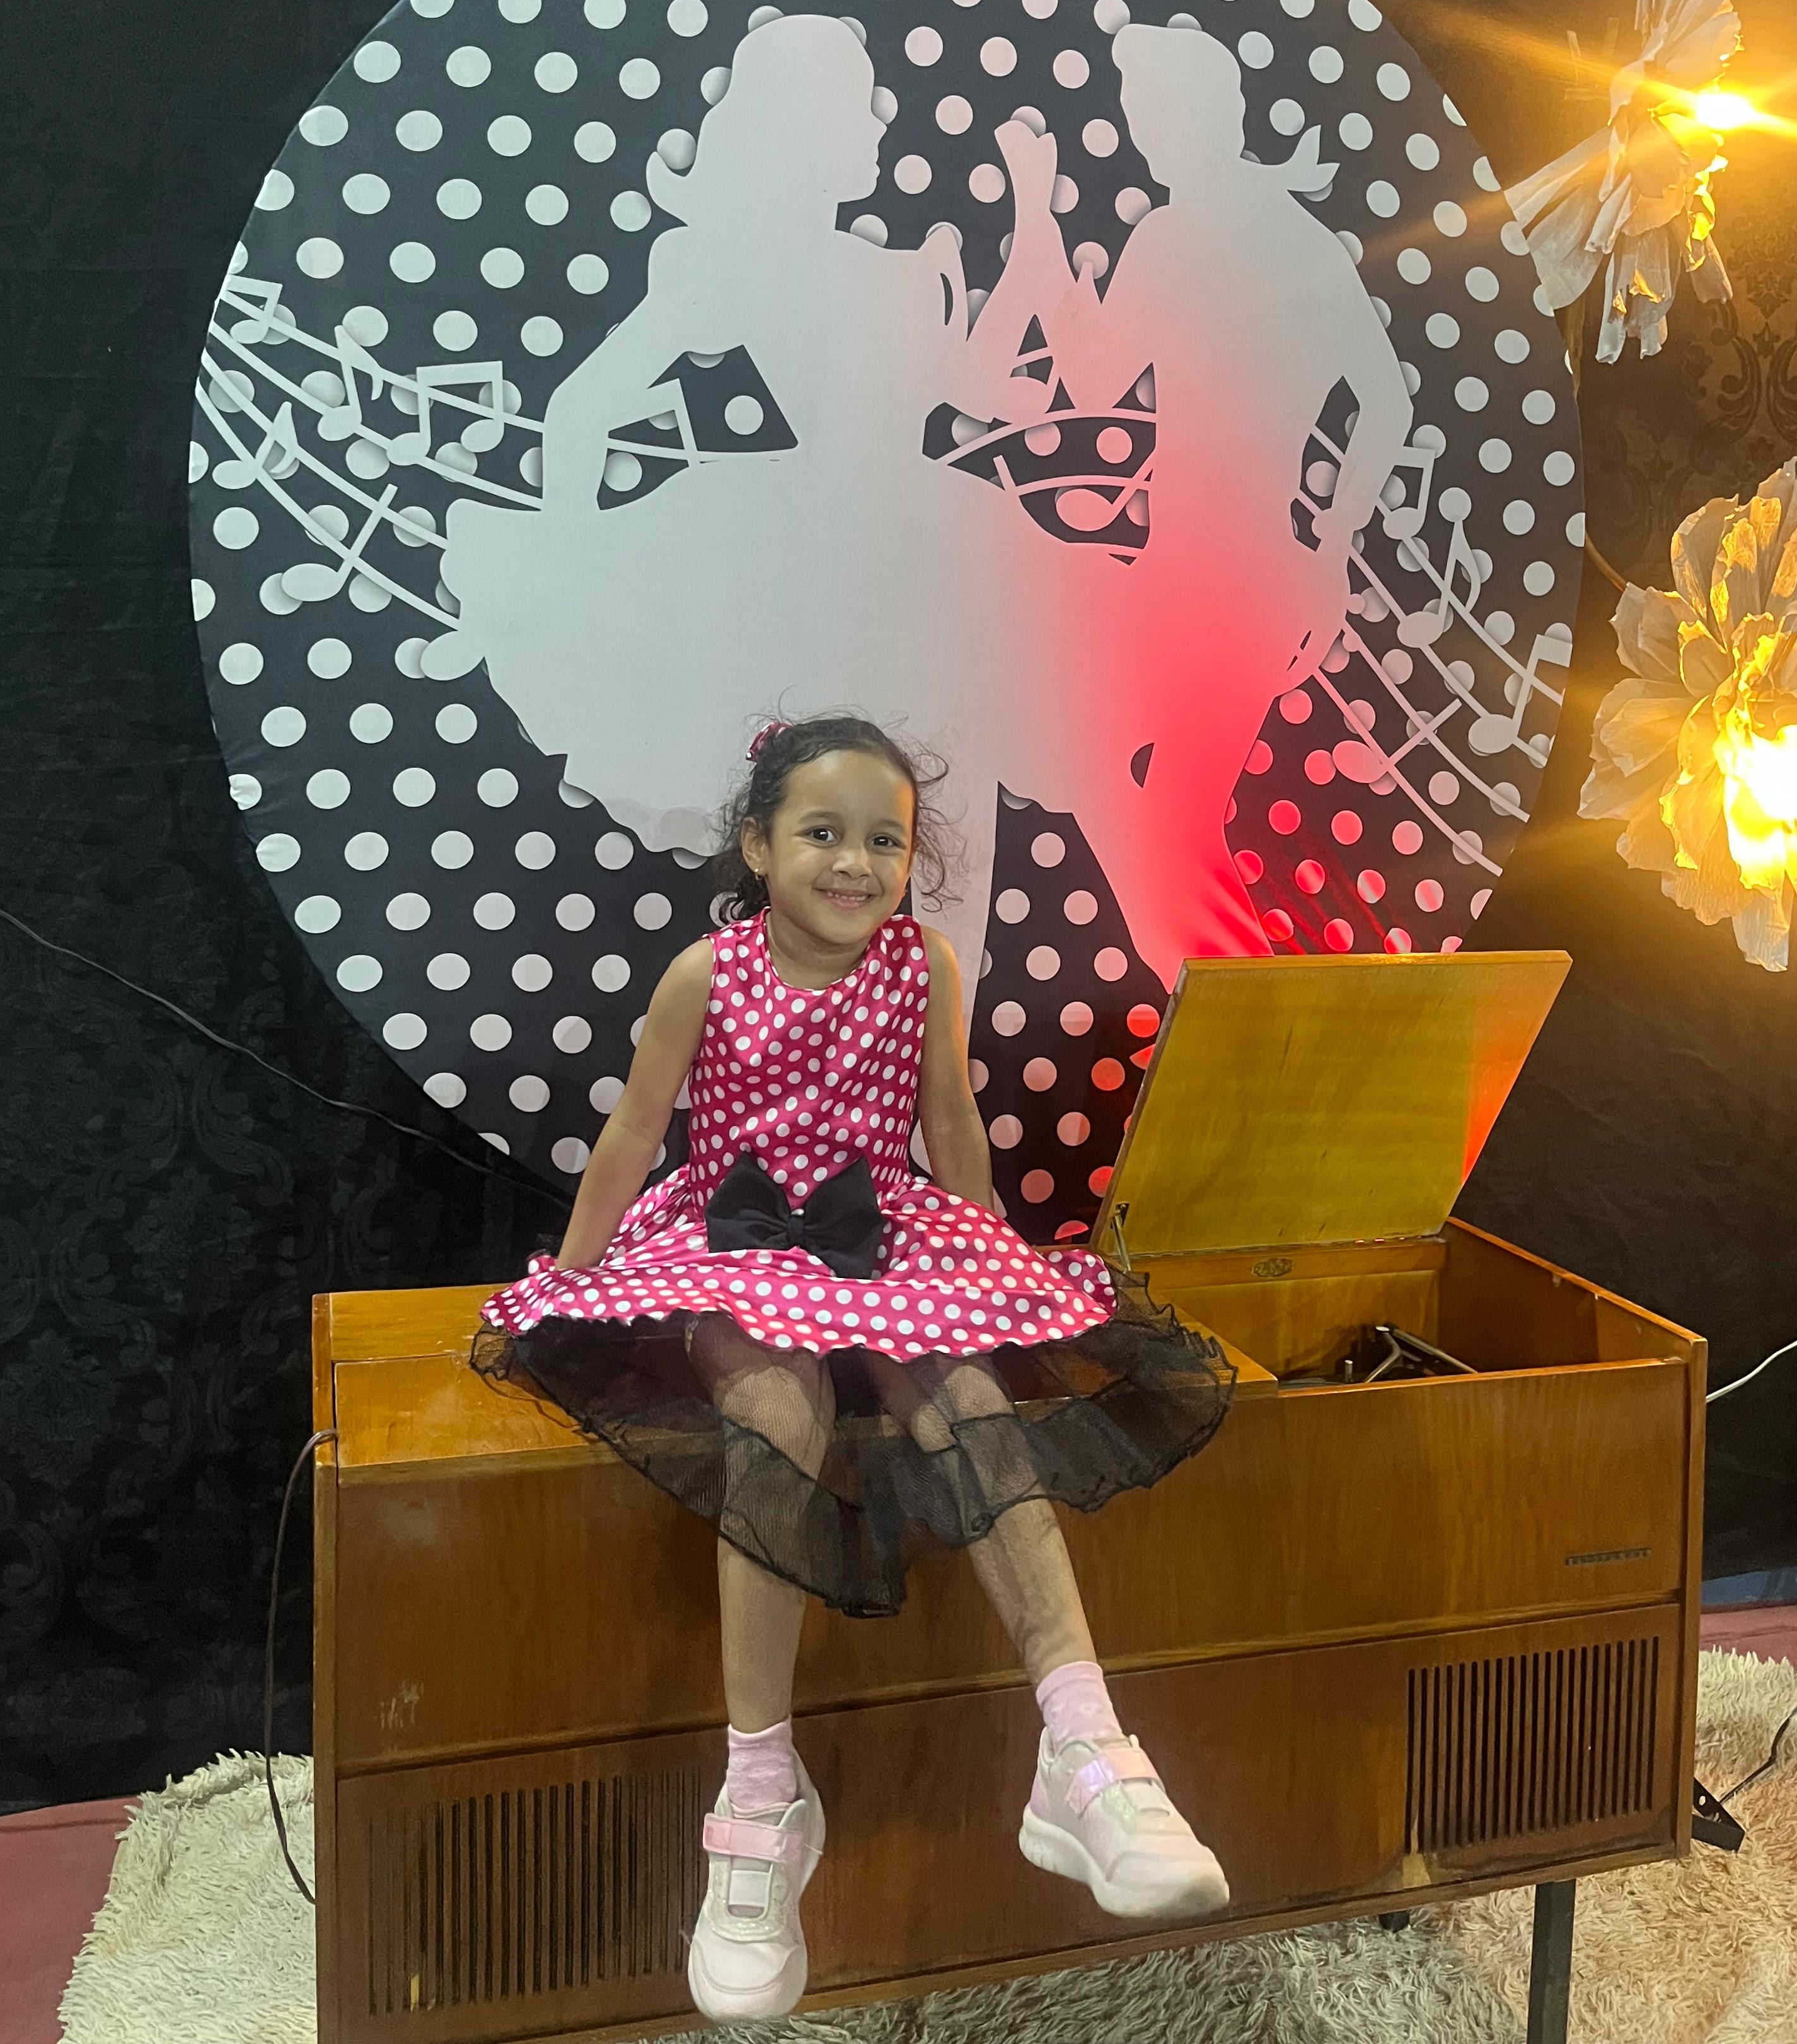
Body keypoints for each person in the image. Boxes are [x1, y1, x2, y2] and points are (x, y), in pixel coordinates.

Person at [476, 714, 1233, 2023]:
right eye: (822, 833)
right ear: (757, 845)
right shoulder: (706, 974)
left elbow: (951, 1117)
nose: (856, 863)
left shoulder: (923, 963)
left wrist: (993, 1266)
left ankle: (1085, 1746)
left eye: (886, 840)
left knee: (969, 1399)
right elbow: (637, 1130)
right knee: (777, 1410)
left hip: (886, 1232)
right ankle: (761, 1792)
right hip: (734, 1243)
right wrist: (574, 1277)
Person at [439, 13, 1116, 1015]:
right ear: (805, 124)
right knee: (854, 838)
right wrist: (573, 551)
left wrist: (1031, 217)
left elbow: (989, 389)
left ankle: (932, 1093)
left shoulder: (898, 267)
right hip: (824, 560)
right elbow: (584, 406)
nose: (879, 125)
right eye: (859, 106)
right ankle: (815, 1076)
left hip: (935, 556)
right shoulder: (736, 260)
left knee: (950, 835)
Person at [986, 26, 1414, 981]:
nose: (1141, 135)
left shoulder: (1186, 238)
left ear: (1197, 116)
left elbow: (1088, 375)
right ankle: (1234, 1013)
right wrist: (1330, 542)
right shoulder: (1278, 238)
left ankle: (1254, 1026)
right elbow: (1384, 399)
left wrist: (1039, 222)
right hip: (1220, 576)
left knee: (1168, 821)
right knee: (1132, 801)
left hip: (1223, 585)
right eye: (1135, 115)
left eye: (1149, 113)